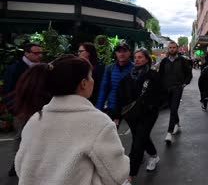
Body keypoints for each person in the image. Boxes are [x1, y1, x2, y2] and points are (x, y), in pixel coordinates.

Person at [15, 56, 129, 185]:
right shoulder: (98, 123)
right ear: (83, 83)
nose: (93, 81)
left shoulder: (36, 119)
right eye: (90, 76)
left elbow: (21, 166)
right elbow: (116, 175)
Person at [117, 49, 163, 185]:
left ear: (147, 59)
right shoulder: (129, 76)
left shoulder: (153, 75)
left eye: (140, 57)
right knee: (142, 137)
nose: (136, 59)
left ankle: (130, 176)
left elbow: (162, 94)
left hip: (148, 114)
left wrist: (152, 105)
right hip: (132, 115)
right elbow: (121, 95)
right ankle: (154, 156)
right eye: (135, 57)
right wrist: (119, 113)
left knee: (137, 142)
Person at [3, 43, 43, 177]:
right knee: (20, 137)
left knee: (37, 138)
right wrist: (14, 110)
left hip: (38, 109)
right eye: (36, 53)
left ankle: (31, 165)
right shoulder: (15, 68)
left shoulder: (41, 68)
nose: (40, 56)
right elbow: (7, 91)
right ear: (27, 53)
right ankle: (16, 165)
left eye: (40, 53)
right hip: (21, 109)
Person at [7, 63, 52, 178]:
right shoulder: (46, 93)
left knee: (22, 139)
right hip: (31, 115)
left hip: (24, 113)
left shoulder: (27, 84)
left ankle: (17, 165)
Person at [159, 42, 193, 145]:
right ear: (168, 49)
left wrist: (184, 84)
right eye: (170, 48)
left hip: (178, 88)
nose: (172, 49)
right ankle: (177, 123)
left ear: (177, 49)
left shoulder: (182, 60)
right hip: (167, 89)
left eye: (174, 48)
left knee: (173, 108)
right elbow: (160, 75)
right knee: (171, 107)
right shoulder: (164, 61)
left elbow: (189, 74)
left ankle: (169, 133)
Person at [96, 42, 134, 123]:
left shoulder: (135, 69)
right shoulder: (110, 68)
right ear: (116, 53)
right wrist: (99, 108)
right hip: (112, 107)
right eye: (119, 51)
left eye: (124, 51)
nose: (121, 54)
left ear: (129, 53)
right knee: (109, 133)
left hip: (130, 108)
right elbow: (103, 89)